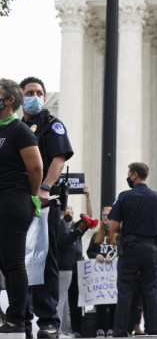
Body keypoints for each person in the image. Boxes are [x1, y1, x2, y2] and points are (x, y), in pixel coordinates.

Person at [20, 76, 73, 339]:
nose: (35, 96)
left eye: (39, 92)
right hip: (16, 203)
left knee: (43, 261)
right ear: (19, 98)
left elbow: (59, 159)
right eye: (29, 92)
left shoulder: (52, 124)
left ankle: (48, 321)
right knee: (16, 262)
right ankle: (20, 319)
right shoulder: (14, 127)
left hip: (43, 204)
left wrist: (46, 187)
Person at [0, 78, 43, 338]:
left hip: (15, 200)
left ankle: (17, 320)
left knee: (14, 263)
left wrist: (31, 195)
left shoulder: (20, 130)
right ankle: (16, 316)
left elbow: (36, 168)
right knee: (5, 263)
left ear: (9, 100)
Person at [109, 162, 157, 337]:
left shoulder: (124, 197)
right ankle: (154, 330)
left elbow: (113, 227)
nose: (128, 177)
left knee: (125, 291)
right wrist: (149, 230)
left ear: (134, 175)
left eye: (129, 174)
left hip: (129, 249)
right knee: (151, 290)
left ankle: (120, 331)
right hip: (151, 248)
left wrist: (129, 230)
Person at [56, 202, 90, 338]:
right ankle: (59, 330)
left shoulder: (61, 224)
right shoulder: (61, 224)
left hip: (67, 267)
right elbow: (65, 241)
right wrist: (78, 230)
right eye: (66, 213)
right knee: (61, 298)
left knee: (64, 300)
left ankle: (63, 330)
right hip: (63, 267)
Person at [87, 206, 118, 337]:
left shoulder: (118, 234)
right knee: (99, 300)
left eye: (108, 215)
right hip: (99, 274)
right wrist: (96, 255)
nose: (105, 217)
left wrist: (114, 256)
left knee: (113, 301)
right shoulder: (96, 234)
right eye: (103, 215)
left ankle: (111, 327)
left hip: (113, 273)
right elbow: (90, 251)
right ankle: (100, 328)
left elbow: (123, 251)